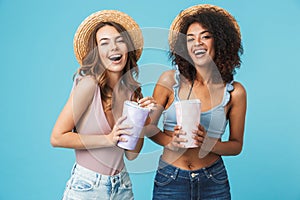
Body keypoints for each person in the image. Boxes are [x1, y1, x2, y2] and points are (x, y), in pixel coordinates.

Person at [142, 4, 247, 199]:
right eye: (190, 39)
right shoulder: (168, 80)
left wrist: (209, 144)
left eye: (205, 36)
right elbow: (148, 127)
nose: (197, 43)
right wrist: (169, 142)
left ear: (221, 42)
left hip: (213, 180)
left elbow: (236, 145)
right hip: (170, 178)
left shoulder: (235, 92)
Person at [50, 10, 155, 200]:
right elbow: (57, 137)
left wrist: (143, 122)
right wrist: (107, 139)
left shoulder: (133, 93)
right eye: (104, 43)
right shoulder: (89, 84)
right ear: (96, 52)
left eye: (119, 41)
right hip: (87, 186)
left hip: (122, 186)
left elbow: (131, 155)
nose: (113, 48)